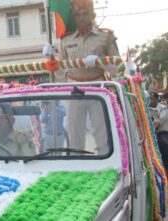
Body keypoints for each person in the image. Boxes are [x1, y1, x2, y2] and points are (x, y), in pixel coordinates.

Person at [43, 0, 118, 154]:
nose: (82, 18)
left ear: (92, 15)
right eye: (78, 15)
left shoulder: (105, 36)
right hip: (74, 87)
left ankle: (105, 161)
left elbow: (116, 67)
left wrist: (99, 62)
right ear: (74, 18)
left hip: (97, 86)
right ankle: (78, 162)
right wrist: (50, 59)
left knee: (101, 129)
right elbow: (61, 74)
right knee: (74, 130)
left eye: (85, 14)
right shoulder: (66, 40)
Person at [152, 92, 168, 168]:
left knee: (164, 143)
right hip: (160, 133)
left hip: (163, 134)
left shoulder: (162, 108)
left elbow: (158, 122)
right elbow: (157, 121)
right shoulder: (161, 109)